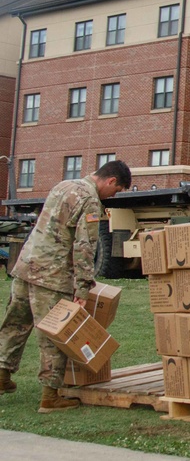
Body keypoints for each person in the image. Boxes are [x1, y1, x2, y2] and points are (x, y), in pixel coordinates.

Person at [0, 159, 131, 414]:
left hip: (27, 265)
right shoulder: (91, 201)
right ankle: (51, 396)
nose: (112, 196)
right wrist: (82, 288)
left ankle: (2, 376)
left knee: (14, 324)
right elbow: (84, 247)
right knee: (53, 334)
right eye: (115, 190)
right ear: (111, 180)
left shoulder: (62, 185)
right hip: (52, 274)